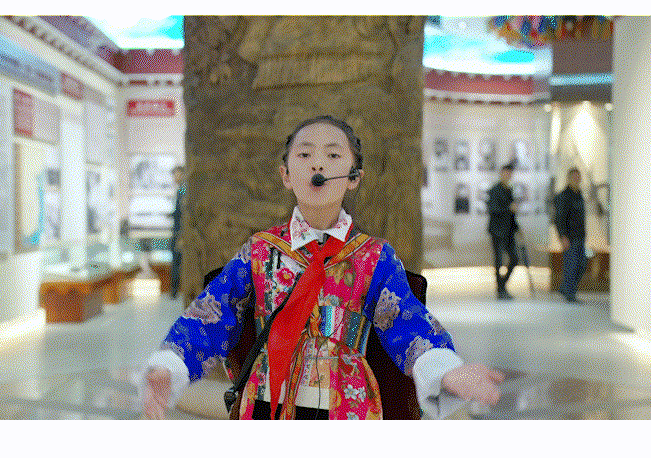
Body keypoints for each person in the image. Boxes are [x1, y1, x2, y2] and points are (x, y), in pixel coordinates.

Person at [145, 116, 503, 420]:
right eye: (305, 155)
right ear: (286, 174)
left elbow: (406, 321)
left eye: (333, 155)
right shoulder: (260, 251)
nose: (318, 165)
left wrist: (445, 370)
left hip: (346, 405)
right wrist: (170, 364)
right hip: (267, 401)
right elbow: (212, 312)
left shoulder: (374, 257)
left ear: (353, 176)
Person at [487, 163, 519, 300]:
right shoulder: (495, 190)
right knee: (499, 260)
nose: (508, 175)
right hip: (498, 231)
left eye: (510, 173)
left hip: (509, 231)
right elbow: (493, 209)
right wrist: (508, 208)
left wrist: (517, 227)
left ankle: (502, 284)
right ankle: (500, 289)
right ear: (501, 174)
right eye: (506, 173)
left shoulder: (509, 190)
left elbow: (512, 213)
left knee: (515, 259)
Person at [554, 167, 586, 303]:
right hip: (570, 237)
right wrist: (563, 236)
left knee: (582, 265)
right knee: (571, 266)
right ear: (569, 179)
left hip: (580, 236)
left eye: (578, 177)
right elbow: (559, 218)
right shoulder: (564, 196)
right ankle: (570, 293)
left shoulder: (579, 195)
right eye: (574, 177)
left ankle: (564, 288)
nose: (576, 180)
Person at [169, 166, 185, 299]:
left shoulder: (183, 190)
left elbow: (183, 213)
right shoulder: (181, 190)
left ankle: (174, 290)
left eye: (176, 174)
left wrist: (181, 235)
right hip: (179, 232)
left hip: (180, 233)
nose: (174, 178)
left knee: (177, 262)